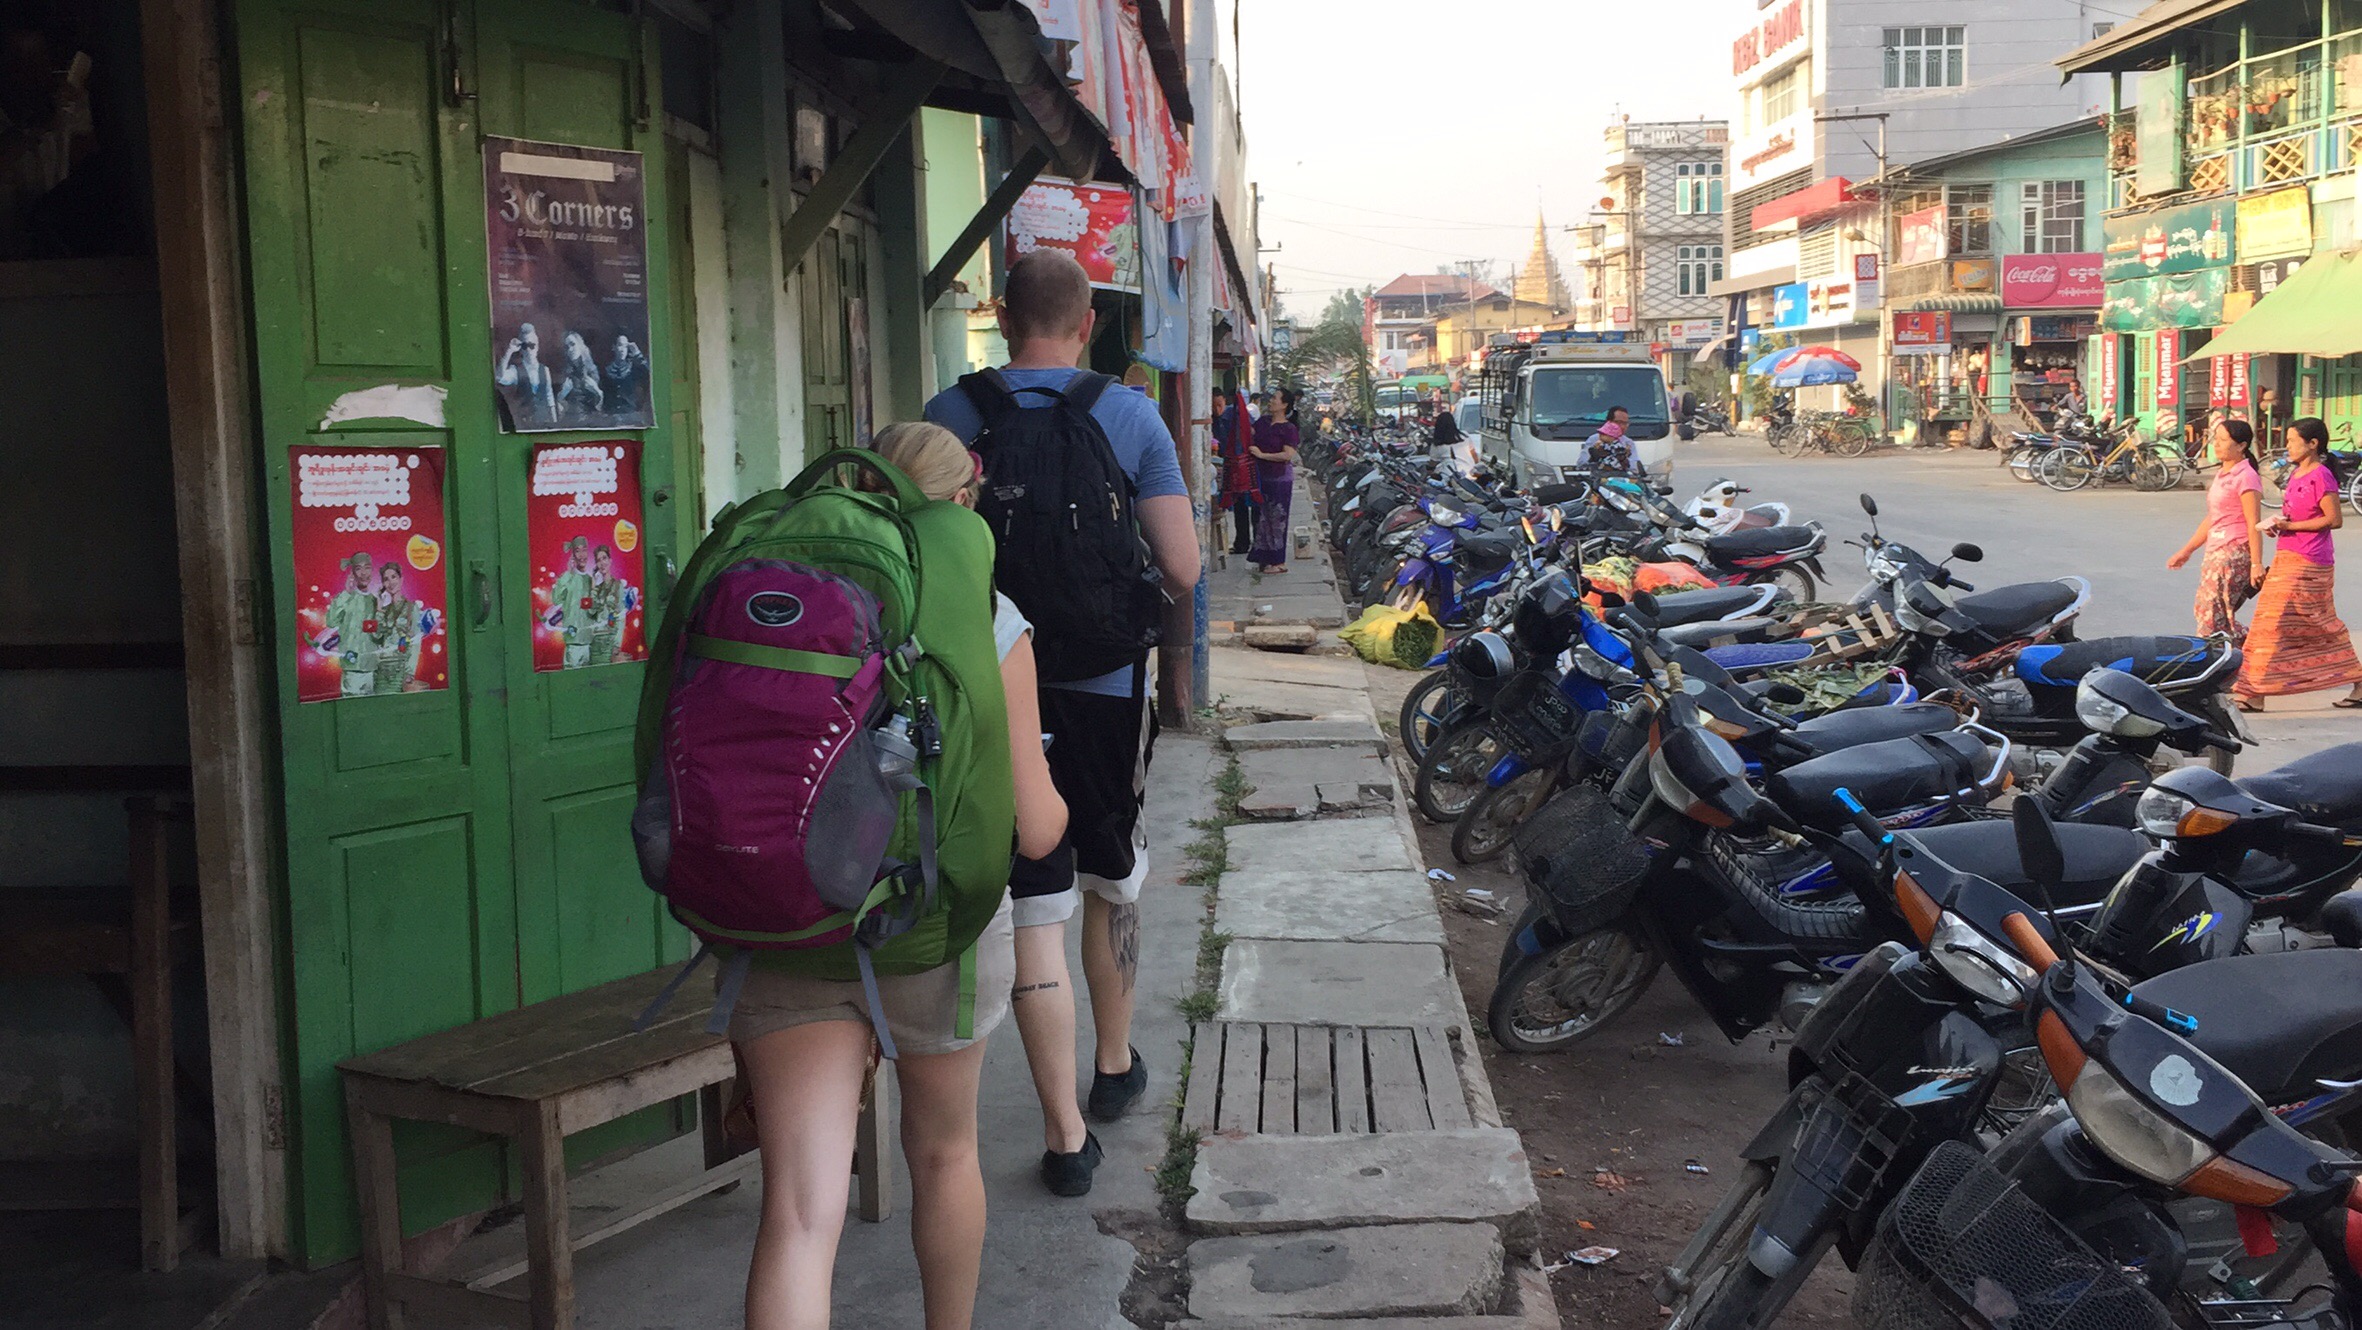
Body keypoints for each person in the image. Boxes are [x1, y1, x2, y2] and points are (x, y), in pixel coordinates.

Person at [732, 420, 1066, 1330]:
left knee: (799, 1213)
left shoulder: (776, 585)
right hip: (932, 932)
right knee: (946, 1156)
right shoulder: (991, 621)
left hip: (784, 917)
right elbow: (1037, 833)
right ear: (962, 507)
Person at [924, 250, 1199, 1191]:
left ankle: (1043, 1111)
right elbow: (1185, 567)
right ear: (1087, 325)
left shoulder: (949, 417)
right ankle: (1114, 1064)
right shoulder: (1127, 416)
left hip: (980, 688)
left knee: (1027, 895)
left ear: (1003, 320)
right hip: (1098, 683)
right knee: (1105, 870)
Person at [2235, 417, 2362, 711]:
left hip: (2311, 562)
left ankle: (2255, 691)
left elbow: (2333, 520)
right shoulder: (2295, 475)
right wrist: (2279, 524)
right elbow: (2294, 516)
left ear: (2313, 444)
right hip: (2286, 556)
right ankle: (2254, 690)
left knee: (2291, 623)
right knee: (2280, 625)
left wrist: (2291, 528)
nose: (2288, 446)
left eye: (2293, 441)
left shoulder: (2321, 475)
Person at [2167, 418, 2264, 641]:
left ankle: (2236, 655)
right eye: (2216, 440)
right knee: (2208, 612)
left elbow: (2253, 523)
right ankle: (2246, 655)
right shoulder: (2223, 473)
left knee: (2212, 617)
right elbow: (2214, 516)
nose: (2216, 445)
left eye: (2223, 440)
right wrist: (2187, 550)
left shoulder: (2246, 476)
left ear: (2241, 446)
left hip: (2233, 552)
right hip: (2215, 550)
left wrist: (2256, 564)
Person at [1249, 388, 1301, 573]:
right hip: (1261, 477)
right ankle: (1263, 557)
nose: (1271, 401)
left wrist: (1262, 455)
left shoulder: (1288, 429)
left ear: (1284, 404)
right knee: (1261, 518)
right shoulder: (1262, 422)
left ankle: (1278, 562)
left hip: (1279, 478)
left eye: (1274, 398)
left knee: (1277, 519)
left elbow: (1287, 455)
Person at [320, 552, 381, 697]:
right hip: (352, 669)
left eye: (367, 568)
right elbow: (331, 621)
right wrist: (346, 592)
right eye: (358, 569)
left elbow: (379, 635)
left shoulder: (376, 601)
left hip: (372, 668)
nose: (363, 573)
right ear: (352, 573)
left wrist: (380, 609)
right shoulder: (345, 598)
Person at [1214, 387, 1259, 555]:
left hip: (1248, 464)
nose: (1217, 410)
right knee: (1239, 506)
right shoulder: (1210, 420)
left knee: (1255, 506)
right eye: (1213, 406)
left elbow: (1252, 431)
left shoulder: (1237, 414)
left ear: (1224, 401)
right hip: (1230, 466)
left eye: (1219, 405)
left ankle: (1258, 543)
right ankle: (1241, 544)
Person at [495, 322, 558, 425]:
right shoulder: (515, 371)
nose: (528, 350)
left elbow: (549, 397)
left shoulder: (545, 370)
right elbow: (499, 377)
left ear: (537, 347)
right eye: (524, 346)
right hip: (525, 423)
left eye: (531, 345)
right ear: (521, 349)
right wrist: (510, 350)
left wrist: (555, 422)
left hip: (545, 422)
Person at [373, 562, 420, 692]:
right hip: (381, 671)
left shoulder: (411, 608)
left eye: (394, 577)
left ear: (401, 579)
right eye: (386, 579)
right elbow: (376, 636)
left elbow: (416, 643)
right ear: (383, 585)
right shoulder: (384, 611)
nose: (390, 582)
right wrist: (379, 610)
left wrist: (410, 672)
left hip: (401, 670)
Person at [549, 536, 595, 668]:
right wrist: (568, 573)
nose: (582, 555)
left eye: (584, 550)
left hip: (589, 643)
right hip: (573, 645)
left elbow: (593, 611)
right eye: (577, 551)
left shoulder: (590, 579)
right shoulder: (567, 578)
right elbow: (556, 599)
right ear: (573, 555)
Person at [586, 543, 628, 665]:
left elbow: (620, 617)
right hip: (595, 643)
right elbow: (591, 612)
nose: (602, 563)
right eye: (598, 560)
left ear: (610, 561)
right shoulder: (597, 589)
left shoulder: (617, 585)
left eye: (604, 558)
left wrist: (616, 646)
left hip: (609, 643)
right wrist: (593, 586)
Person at [1575, 406, 1643, 476]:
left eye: (1625, 423)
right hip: (1599, 480)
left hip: (1621, 479)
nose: (1622, 426)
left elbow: (1634, 467)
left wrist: (1625, 457)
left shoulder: (1628, 442)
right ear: (1609, 422)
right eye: (1618, 422)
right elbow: (1581, 463)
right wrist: (1594, 455)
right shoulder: (1594, 439)